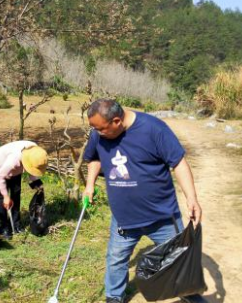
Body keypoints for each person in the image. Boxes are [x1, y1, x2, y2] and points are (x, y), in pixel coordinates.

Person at [82, 99, 206, 303]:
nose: (97, 133)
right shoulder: (98, 133)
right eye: (94, 128)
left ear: (116, 121)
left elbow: (179, 163)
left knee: (178, 260)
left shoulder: (154, 129)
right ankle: (114, 297)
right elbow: (94, 158)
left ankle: (190, 295)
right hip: (123, 217)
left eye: (101, 129)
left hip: (162, 217)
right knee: (116, 259)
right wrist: (89, 185)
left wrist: (192, 198)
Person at [0, 140, 48, 239]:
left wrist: (37, 184)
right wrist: (5, 196)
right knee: (3, 198)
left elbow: (32, 167)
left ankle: (16, 223)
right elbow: (0, 176)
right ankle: (2, 228)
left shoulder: (35, 152)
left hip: (16, 168)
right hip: (0, 165)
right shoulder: (13, 160)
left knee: (16, 192)